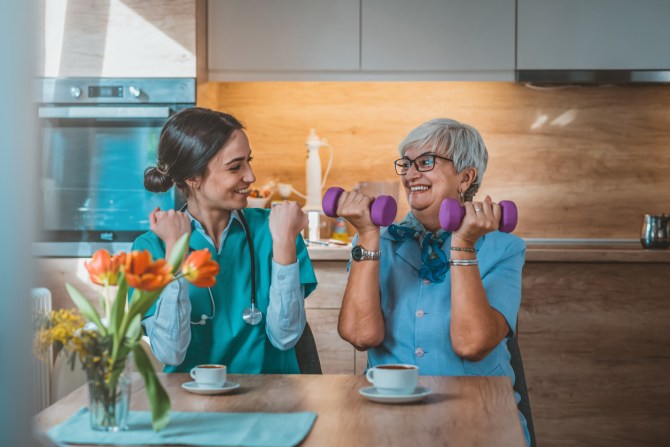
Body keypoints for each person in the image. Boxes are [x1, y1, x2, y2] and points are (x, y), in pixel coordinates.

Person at [336, 118, 529, 445]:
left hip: (479, 422)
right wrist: (368, 236)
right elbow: (360, 335)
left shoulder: (503, 248)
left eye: (426, 162)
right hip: (390, 421)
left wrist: (463, 244)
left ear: (465, 177)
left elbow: (472, 344)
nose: (411, 175)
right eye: (407, 164)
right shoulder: (377, 243)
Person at [133, 107, 317, 374]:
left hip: (274, 400)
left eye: (248, 161)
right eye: (235, 167)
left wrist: (285, 243)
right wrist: (175, 251)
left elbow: (285, 337)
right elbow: (170, 352)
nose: (251, 176)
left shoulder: (277, 228)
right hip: (191, 401)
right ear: (193, 177)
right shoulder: (149, 249)